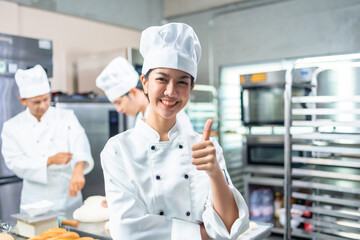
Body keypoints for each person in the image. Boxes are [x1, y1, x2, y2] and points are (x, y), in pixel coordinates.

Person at [100, 23, 249, 240]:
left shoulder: (206, 148)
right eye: (161, 79)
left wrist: (215, 172)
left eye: (182, 82)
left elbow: (229, 227)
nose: (171, 91)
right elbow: (127, 231)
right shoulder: (117, 150)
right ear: (145, 83)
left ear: (191, 89)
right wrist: (203, 234)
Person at [1, 65, 94, 213]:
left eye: (46, 99)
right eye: (36, 102)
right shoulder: (12, 127)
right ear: (23, 101)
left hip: (67, 195)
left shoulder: (66, 117)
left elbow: (80, 144)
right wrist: (49, 161)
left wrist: (78, 170)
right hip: (34, 200)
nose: (43, 105)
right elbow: (15, 162)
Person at [96, 56, 193, 130]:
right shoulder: (140, 118)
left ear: (133, 92)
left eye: (118, 102)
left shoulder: (167, 114)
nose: (118, 109)